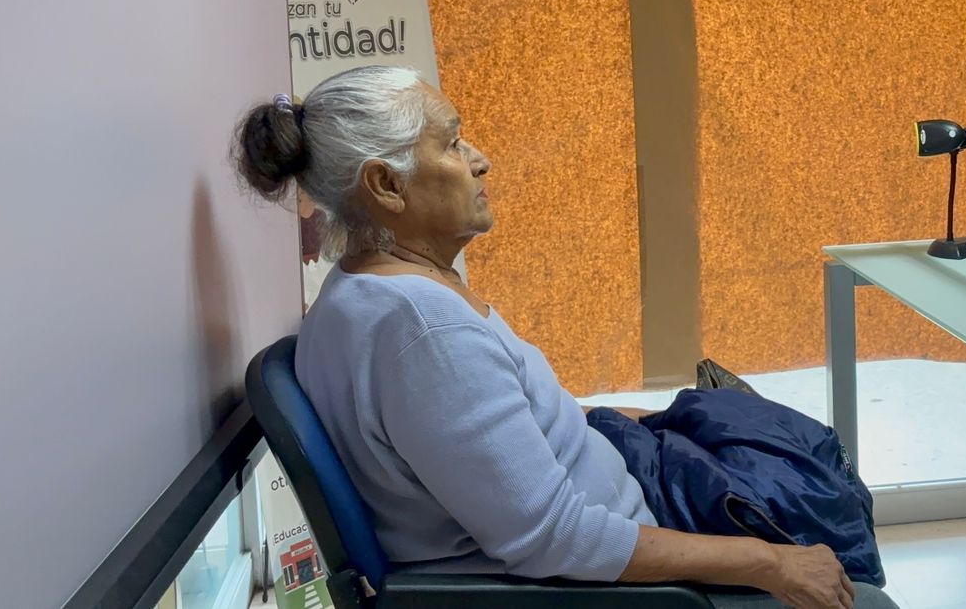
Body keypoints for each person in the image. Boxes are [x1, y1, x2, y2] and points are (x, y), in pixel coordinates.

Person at [235, 66, 898, 609]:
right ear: (386, 184)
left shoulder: (369, 291)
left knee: (792, 456)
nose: (480, 160)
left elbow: (489, 443)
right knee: (853, 583)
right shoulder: (423, 332)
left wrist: (616, 420)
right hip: (610, 577)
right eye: (453, 144)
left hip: (631, 499)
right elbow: (555, 538)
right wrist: (769, 564)